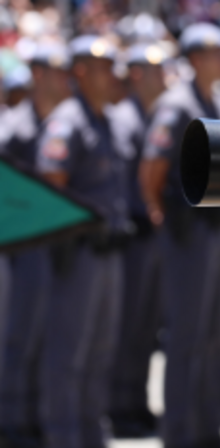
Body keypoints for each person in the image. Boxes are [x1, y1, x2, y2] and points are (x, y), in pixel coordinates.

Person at [140, 23, 220, 448]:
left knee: (216, 333)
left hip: (218, 228)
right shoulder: (177, 104)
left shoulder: (218, 98)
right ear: (196, 58)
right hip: (189, 232)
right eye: (216, 52)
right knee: (187, 336)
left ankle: (206, 427)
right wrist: (161, 217)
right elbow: (152, 167)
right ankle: (179, 433)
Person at [36, 35, 128, 448]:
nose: (113, 75)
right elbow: (50, 186)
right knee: (68, 355)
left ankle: (91, 436)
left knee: (100, 353)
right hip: (79, 255)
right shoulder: (67, 121)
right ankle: (63, 437)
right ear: (80, 72)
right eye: (104, 66)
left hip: (109, 252)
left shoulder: (104, 119)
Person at [0, 42, 72, 447]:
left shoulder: (55, 123)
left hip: (48, 245)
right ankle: (11, 420)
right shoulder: (14, 128)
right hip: (17, 248)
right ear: (37, 76)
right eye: (54, 71)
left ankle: (32, 416)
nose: (61, 80)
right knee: (17, 335)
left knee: (44, 336)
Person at [106, 41, 168, 438]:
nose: (164, 77)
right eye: (156, 70)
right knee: (124, 327)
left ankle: (136, 401)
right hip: (126, 237)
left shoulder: (151, 115)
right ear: (137, 74)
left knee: (145, 327)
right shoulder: (122, 117)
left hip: (149, 237)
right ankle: (117, 406)